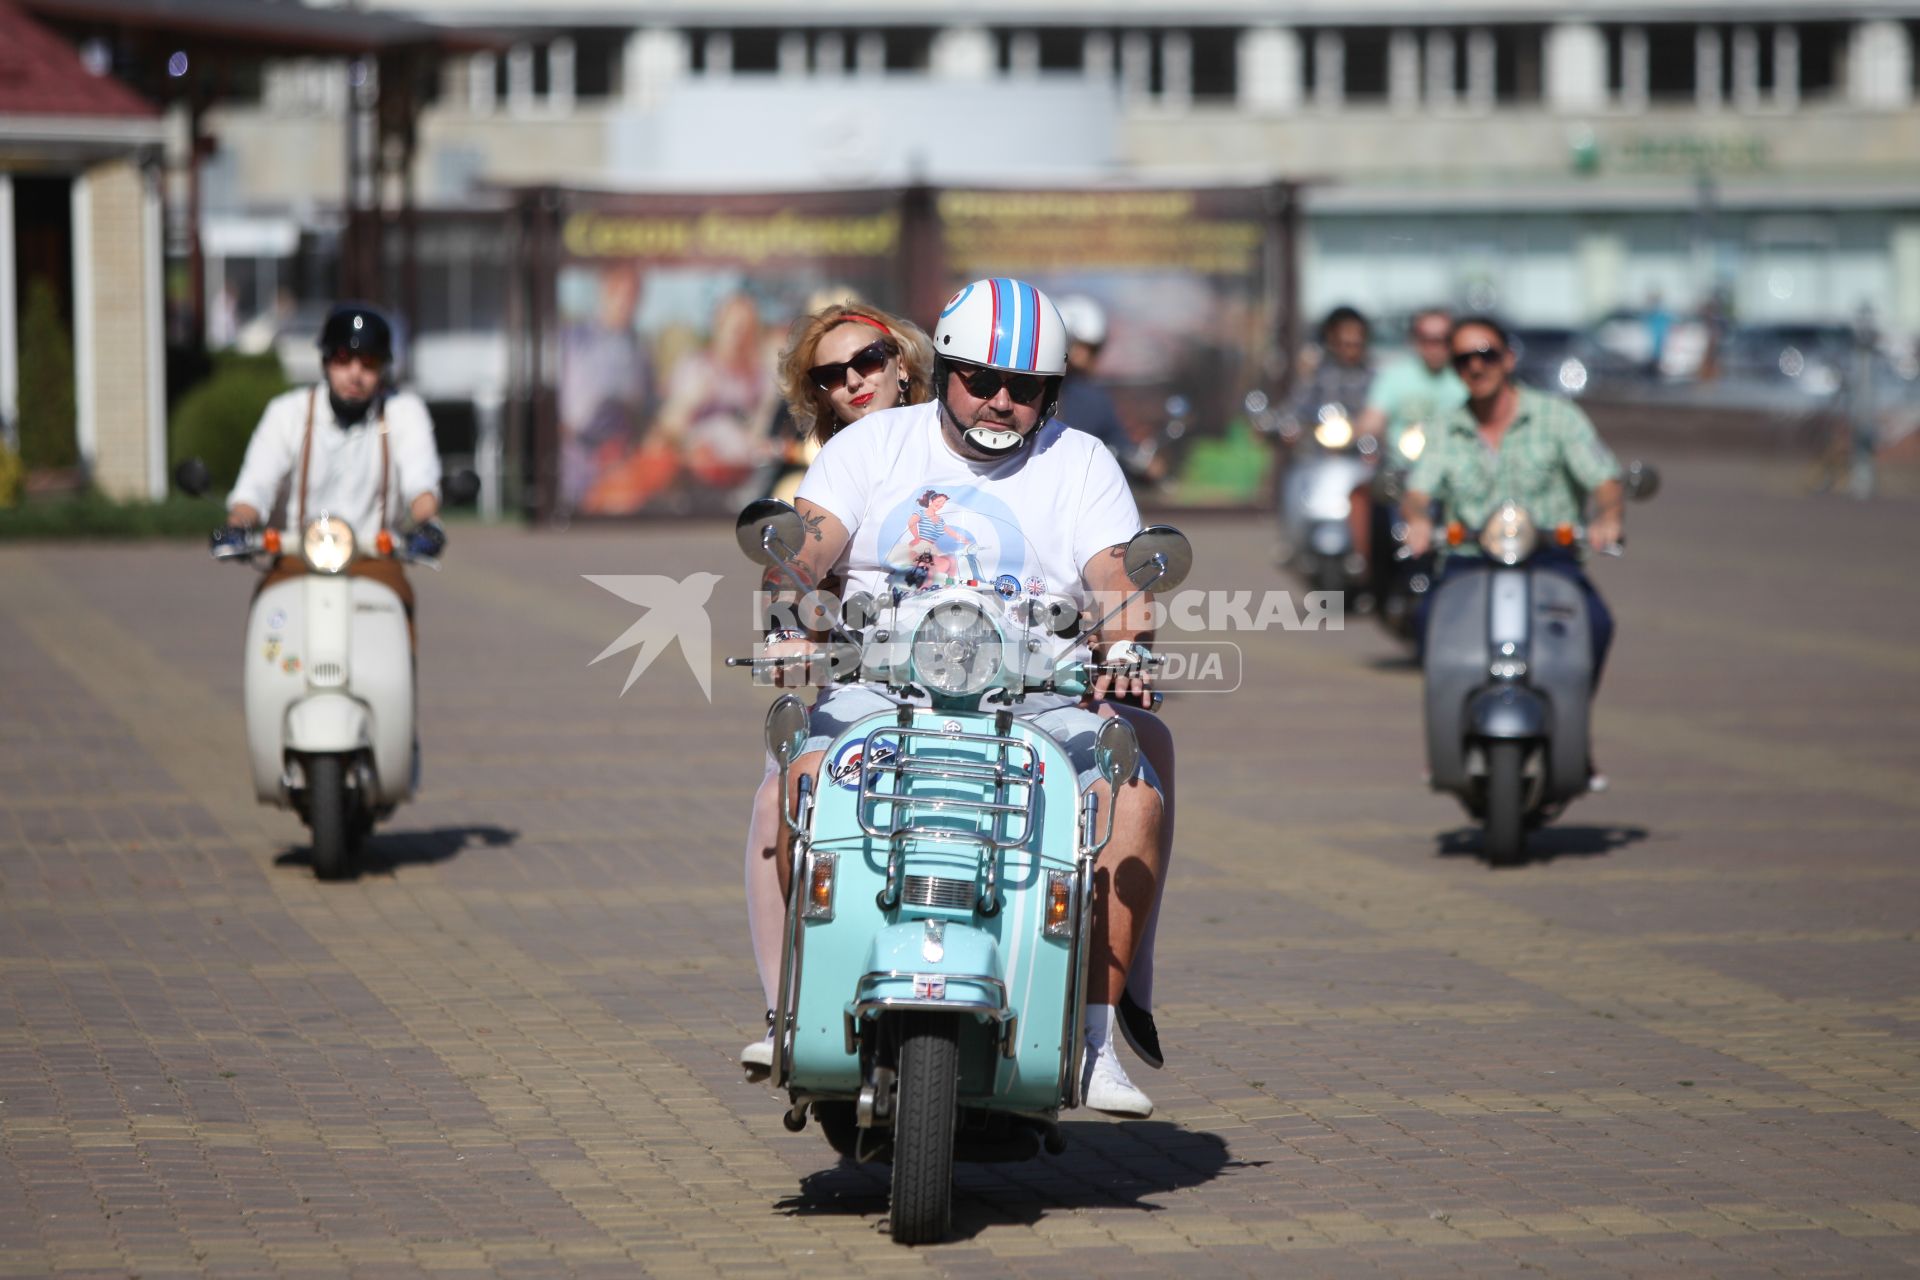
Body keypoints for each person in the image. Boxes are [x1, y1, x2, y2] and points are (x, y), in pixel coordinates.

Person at [745, 277, 1170, 1117]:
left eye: (1025, 388)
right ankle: (790, 1009)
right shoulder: (872, 449)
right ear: (942, 370)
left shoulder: (1080, 462)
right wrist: (792, 612)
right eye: (979, 378)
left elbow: (1116, 578)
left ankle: (1090, 1044)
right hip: (881, 688)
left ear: (1051, 394)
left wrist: (1124, 644)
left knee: (1137, 805)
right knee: (789, 789)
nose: (1000, 400)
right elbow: (809, 544)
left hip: (1038, 699)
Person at [1400, 316, 1624, 769]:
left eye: (1486, 355)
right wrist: (1418, 521)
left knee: (1596, 623)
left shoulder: (1556, 417)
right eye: (1463, 359)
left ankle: (1570, 729)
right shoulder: (1446, 428)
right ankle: (1452, 730)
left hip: (1548, 560)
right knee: (1427, 622)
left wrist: (1609, 517)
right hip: (1469, 562)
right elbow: (1417, 493)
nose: (1476, 367)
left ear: (1508, 358)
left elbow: (1604, 479)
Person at [226, 304, 444, 623]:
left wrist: (428, 523)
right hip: (297, 558)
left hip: (375, 560)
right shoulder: (287, 414)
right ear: (326, 361)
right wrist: (238, 523)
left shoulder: (404, 412)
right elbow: (256, 485)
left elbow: (420, 481)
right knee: (269, 619)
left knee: (397, 612)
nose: (355, 373)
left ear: (383, 369)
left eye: (368, 362)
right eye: (344, 359)